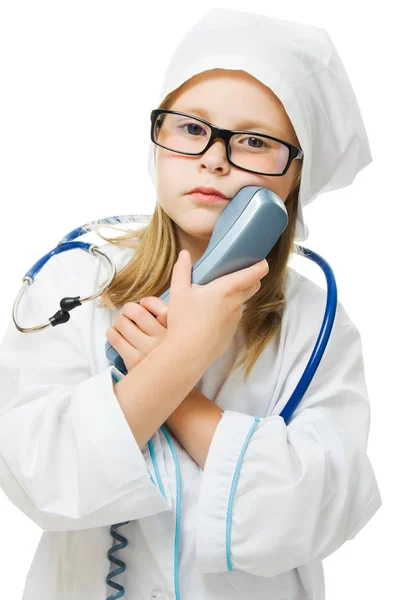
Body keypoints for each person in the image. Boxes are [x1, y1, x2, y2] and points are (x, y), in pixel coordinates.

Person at [0, 8, 382, 600]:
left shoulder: (316, 323)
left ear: (297, 174)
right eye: (190, 127)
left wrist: (178, 378)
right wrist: (184, 353)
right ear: (158, 138)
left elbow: (311, 513)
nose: (214, 158)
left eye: (255, 141)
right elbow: (41, 481)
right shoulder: (74, 283)